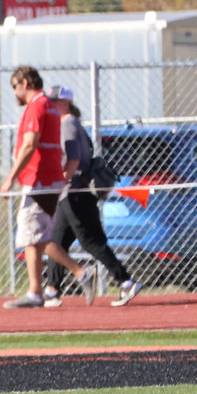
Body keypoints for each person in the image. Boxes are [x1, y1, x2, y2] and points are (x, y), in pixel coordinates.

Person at [1, 67, 98, 309]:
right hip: (45, 180)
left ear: (25, 82)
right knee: (33, 237)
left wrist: (10, 177)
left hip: (39, 180)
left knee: (34, 235)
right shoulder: (49, 106)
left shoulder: (37, 105)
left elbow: (30, 144)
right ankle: (43, 289)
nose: (15, 93)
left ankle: (71, 277)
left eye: (15, 86)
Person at [42, 85, 142, 307]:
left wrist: (60, 182)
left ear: (65, 102)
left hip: (75, 192)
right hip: (70, 193)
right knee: (57, 241)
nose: (50, 105)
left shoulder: (67, 123)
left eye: (54, 101)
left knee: (91, 241)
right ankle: (51, 289)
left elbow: (74, 160)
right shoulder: (70, 123)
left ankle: (126, 281)